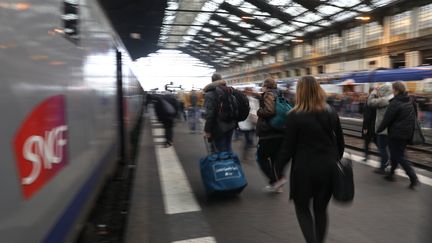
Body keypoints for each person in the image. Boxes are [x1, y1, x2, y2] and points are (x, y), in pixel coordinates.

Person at [276, 76, 345, 243]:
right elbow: (340, 144)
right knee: (321, 210)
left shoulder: (294, 115)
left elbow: (288, 147)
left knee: (302, 208)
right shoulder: (331, 112)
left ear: (300, 92)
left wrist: (279, 169)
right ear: (318, 90)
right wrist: (333, 160)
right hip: (327, 168)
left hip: (304, 170)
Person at [376, 81, 419, 189]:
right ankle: (391, 174)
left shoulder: (395, 102)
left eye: (393, 89)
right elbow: (415, 116)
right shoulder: (410, 100)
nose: (392, 91)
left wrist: (379, 129)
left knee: (399, 156)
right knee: (396, 154)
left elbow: (387, 119)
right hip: (407, 133)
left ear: (396, 90)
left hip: (396, 133)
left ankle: (413, 177)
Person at [256, 77, 286, 192]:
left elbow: (269, 111)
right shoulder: (280, 94)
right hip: (280, 132)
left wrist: (259, 111)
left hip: (268, 132)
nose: (262, 88)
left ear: (266, 86)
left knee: (261, 157)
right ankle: (279, 184)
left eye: (263, 86)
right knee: (275, 158)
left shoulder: (268, 94)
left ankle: (274, 181)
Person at [203, 73, 236, 152]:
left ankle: (223, 163)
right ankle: (230, 164)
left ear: (212, 80)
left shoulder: (209, 94)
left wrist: (207, 130)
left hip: (218, 127)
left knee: (219, 151)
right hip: (230, 125)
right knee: (228, 148)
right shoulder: (229, 90)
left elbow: (210, 114)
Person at [367, 83, 393, 173]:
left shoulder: (384, 100)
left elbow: (370, 102)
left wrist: (374, 91)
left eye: (380, 91)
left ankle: (383, 167)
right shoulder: (393, 99)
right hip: (390, 129)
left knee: (382, 148)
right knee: (389, 148)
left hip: (383, 129)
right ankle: (390, 166)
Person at [237, 87, 259, 162]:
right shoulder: (242, 100)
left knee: (250, 140)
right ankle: (245, 155)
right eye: (248, 91)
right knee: (248, 139)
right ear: (245, 92)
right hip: (244, 123)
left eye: (250, 91)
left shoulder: (254, 100)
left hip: (253, 123)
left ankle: (246, 152)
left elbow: (257, 109)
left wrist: (256, 116)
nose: (250, 92)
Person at [362, 87, 377, 161]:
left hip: (369, 125)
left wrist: (365, 127)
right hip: (376, 125)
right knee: (377, 142)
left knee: (367, 141)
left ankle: (366, 156)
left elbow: (367, 116)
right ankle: (385, 158)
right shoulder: (377, 100)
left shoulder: (369, 101)